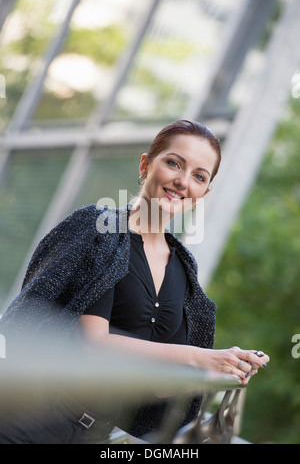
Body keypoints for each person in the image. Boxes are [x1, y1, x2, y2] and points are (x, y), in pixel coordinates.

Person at [0, 119, 269, 444]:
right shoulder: (99, 229)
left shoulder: (184, 270)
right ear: (145, 165)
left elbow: (156, 386)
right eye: (174, 163)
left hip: (95, 436)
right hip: (28, 423)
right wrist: (201, 356)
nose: (183, 182)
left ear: (204, 192)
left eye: (199, 176)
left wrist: (221, 371)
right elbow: (95, 346)